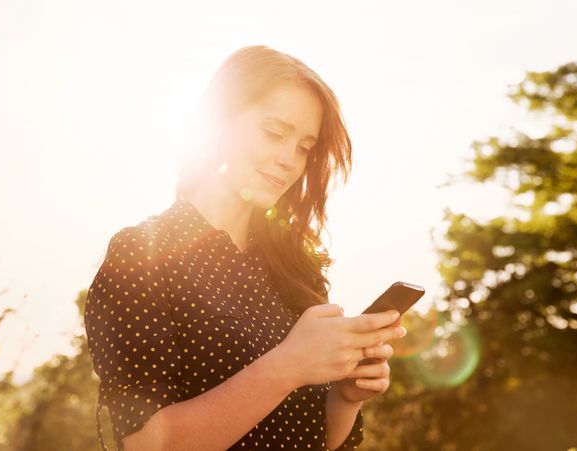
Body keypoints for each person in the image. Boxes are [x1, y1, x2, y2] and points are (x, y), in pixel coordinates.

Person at [84, 45, 406, 451]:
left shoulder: (295, 268)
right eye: (274, 133)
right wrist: (288, 366)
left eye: (305, 147)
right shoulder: (141, 254)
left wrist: (345, 397)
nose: (290, 160)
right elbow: (146, 443)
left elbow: (316, 440)